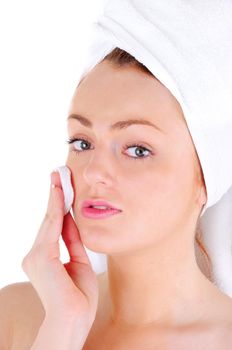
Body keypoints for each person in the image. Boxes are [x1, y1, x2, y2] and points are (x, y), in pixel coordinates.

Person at [1, 46, 232, 350]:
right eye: (82, 143)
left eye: (138, 150)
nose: (93, 172)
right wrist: (62, 327)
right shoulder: (16, 316)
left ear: (205, 177)